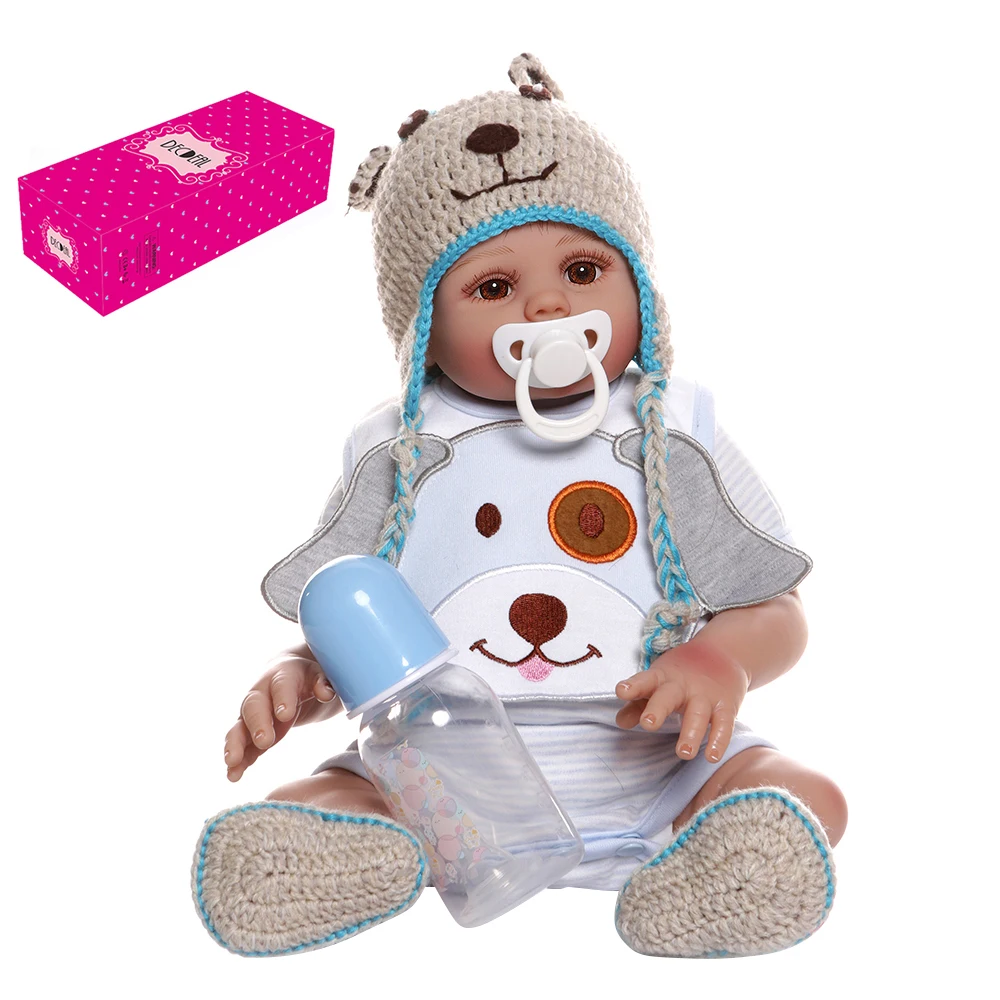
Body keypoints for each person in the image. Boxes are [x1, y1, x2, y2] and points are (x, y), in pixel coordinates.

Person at [192, 54, 847, 960]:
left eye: (583, 268)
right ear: (424, 327)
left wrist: (719, 660)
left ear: (638, 285)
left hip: (662, 765)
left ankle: (721, 869)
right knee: (325, 796)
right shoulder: (400, 448)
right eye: (494, 288)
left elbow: (777, 608)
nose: (547, 305)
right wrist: (301, 673)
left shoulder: (671, 429)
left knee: (803, 792)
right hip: (441, 783)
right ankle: (348, 856)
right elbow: (345, 613)